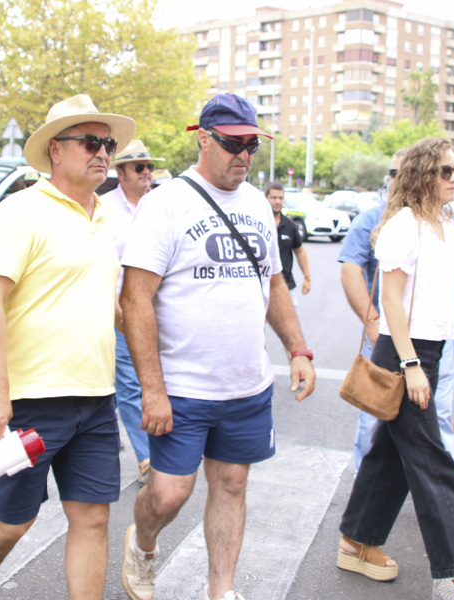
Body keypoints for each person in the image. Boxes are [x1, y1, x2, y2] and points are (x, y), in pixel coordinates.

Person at [120, 93, 315, 600]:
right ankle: (142, 544)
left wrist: (298, 349)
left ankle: (220, 590)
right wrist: (152, 390)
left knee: (231, 485)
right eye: (234, 144)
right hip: (182, 388)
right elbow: (136, 300)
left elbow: (273, 284)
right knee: (168, 493)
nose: (244, 156)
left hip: (245, 385)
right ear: (203, 138)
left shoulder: (255, 203)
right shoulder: (165, 204)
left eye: (252, 145)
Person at [0, 94, 133, 600]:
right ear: (56, 150)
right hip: (31, 401)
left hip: (97, 400)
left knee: (94, 518)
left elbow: (103, 300)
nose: (103, 153)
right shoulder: (20, 211)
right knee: (13, 521)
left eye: (109, 144)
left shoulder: (106, 216)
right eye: (91, 142)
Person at [334, 137, 454, 600]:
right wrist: (411, 364)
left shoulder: (447, 226)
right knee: (433, 459)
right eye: (446, 171)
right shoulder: (404, 226)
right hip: (403, 352)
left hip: (430, 351)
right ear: (423, 175)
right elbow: (390, 299)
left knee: (391, 455)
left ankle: (357, 540)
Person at [342, 148, 454, 475]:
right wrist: (372, 322)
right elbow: (354, 272)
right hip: (395, 339)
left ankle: (363, 523)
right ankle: (448, 508)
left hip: (439, 341)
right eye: (445, 171)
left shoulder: (448, 222)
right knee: (379, 424)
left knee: (431, 424)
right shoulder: (384, 221)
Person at [102, 138, 164, 486]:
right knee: (129, 382)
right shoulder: (103, 208)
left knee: (137, 381)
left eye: (149, 167)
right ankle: (146, 457)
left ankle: (101, 435)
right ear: (120, 172)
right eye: (139, 167)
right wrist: (116, 313)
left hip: (157, 310)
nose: (146, 173)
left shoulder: (160, 205)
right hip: (120, 309)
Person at [264, 181, 311, 307]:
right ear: (266, 198)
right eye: (273, 198)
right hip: (261, 286)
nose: (277, 201)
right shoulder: (258, 223)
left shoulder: (290, 225)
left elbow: (300, 251)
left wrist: (307, 277)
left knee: (289, 324)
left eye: (280, 198)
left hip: (286, 285)